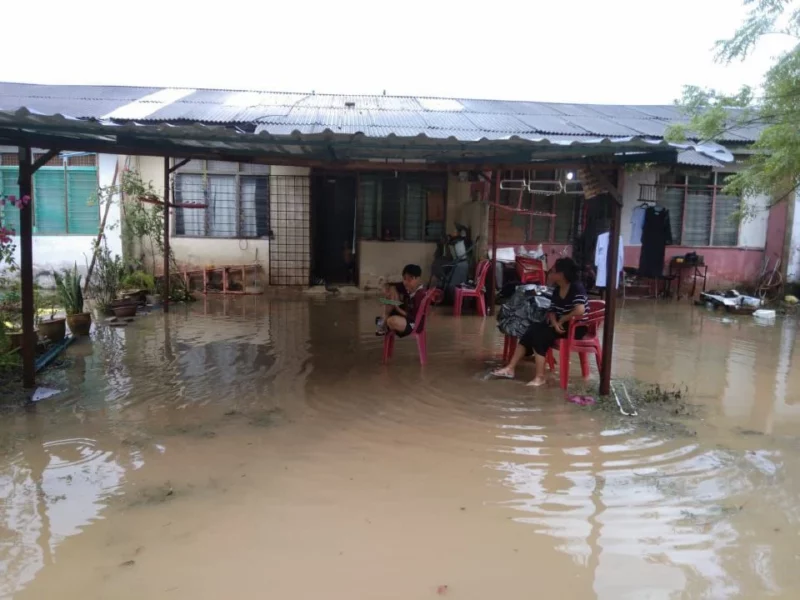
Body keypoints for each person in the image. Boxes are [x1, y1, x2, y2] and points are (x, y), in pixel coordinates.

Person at [492, 257, 587, 387]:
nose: (551, 273)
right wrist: (554, 322)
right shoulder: (557, 289)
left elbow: (580, 310)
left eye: (553, 271)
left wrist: (562, 320)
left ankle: (540, 377)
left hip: (575, 327)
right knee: (532, 330)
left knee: (539, 336)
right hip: (559, 325)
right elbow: (552, 310)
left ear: (562, 274)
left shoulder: (576, 287)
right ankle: (510, 368)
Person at [376, 264, 425, 337]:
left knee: (389, 321)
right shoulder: (407, 287)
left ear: (418, 279)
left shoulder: (420, 294)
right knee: (392, 290)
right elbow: (390, 285)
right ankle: (383, 321)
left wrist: (398, 309)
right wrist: (388, 291)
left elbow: (414, 317)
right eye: (404, 279)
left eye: (409, 279)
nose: (406, 282)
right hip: (404, 318)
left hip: (415, 324)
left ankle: (383, 323)